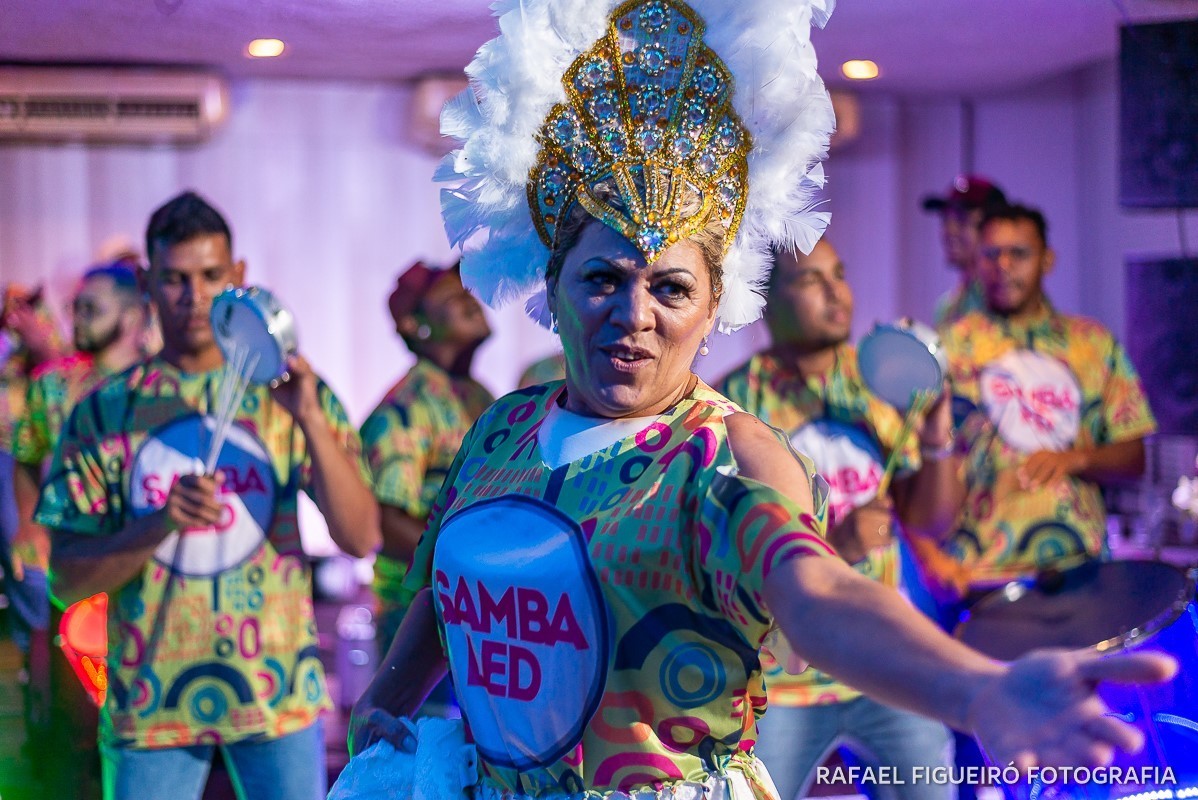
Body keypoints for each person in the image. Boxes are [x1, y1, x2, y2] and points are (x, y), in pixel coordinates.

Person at [340, 3, 1174, 800]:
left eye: (670, 288)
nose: (634, 314)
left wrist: (976, 690)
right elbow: (442, 591)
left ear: (714, 311)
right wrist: (388, 694)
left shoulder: (730, 454)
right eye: (602, 278)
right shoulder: (502, 430)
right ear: (554, 289)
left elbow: (820, 595)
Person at [34, 190, 381, 800]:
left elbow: (360, 537)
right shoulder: (106, 411)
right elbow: (65, 579)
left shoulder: (286, 393)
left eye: (210, 275)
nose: (193, 297)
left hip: (275, 690)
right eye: (174, 278)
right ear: (148, 282)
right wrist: (158, 523)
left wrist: (308, 418)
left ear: (237, 275)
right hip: (152, 700)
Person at [719, 238, 960, 800]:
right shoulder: (732, 407)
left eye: (840, 274)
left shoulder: (878, 384)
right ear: (764, 299)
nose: (837, 293)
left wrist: (936, 436)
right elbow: (725, 557)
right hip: (779, 681)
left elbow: (932, 521)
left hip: (883, 663)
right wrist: (836, 547)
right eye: (811, 279)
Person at [912, 203, 1156, 609]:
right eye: (992, 254)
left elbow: (1134, 458)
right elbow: (906, 467)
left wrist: (1077, 459)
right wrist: (928, 559)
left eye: (1019, 253)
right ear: (977, 261)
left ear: (1047, 259)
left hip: (1080, 567)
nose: (1004, 266)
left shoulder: (1092, 344)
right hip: (978, 576)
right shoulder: (946, 350)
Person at [10, 262, 152, 799]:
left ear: (132, 316)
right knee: (71, 722)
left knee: (141, 719)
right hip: (74, 568)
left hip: (143, 569)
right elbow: (26, 457)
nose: (79, 319)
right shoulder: (52, 386)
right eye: (76, 308)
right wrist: (28, 524)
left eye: (92, 309)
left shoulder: (160, 385)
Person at [361, 261, 493, 711]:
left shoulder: (477, 396)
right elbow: (385, 521)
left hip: (475, 617)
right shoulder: (407, 406)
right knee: (430, 745)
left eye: (468, 291)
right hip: (423, 629)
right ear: (414, 325)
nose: (470, 301)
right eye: (452, 297)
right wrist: (472, 569)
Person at [921, 175, 1007, 328]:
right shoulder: (946, 307)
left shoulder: (1007, 301)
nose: (949, 231)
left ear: (995, 228)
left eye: (962, 219)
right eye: (945, 220)